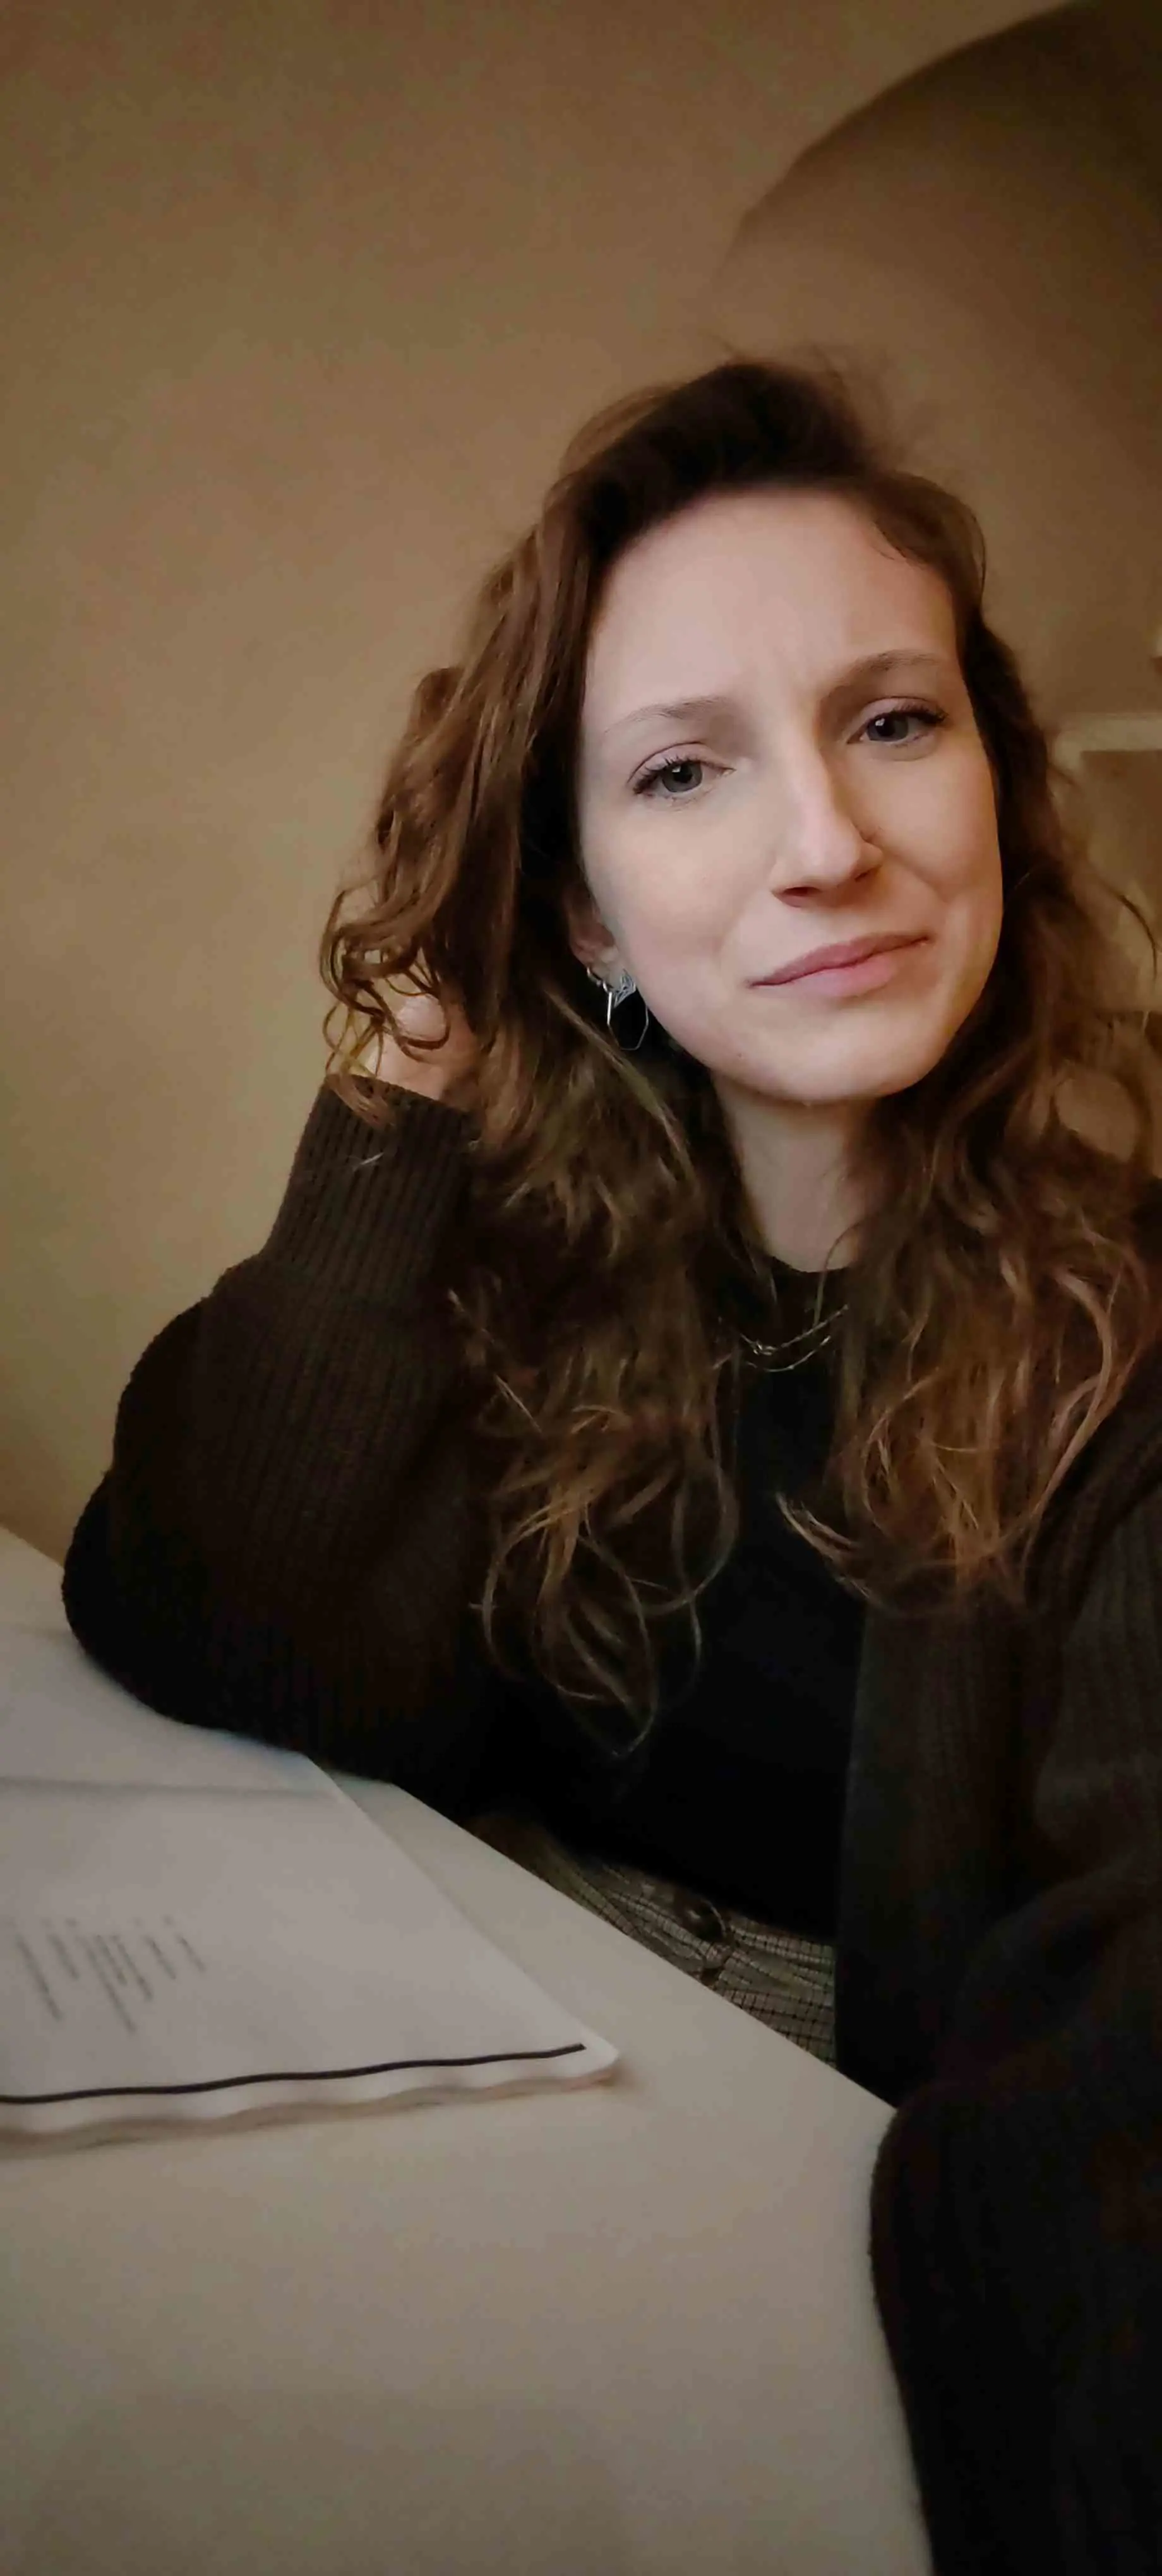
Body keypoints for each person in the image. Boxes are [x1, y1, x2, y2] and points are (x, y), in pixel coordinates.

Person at [64, 359, 1162, 2572]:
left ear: (995, 781)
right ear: (585, 916)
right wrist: (404, 1097)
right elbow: (197, 1615)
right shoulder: (543, 1256)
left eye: (893, 719)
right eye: (682, 769)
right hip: (462, 2023)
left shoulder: (1131, 1338)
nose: (827, 842)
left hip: (822, 2175)